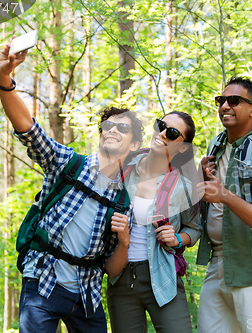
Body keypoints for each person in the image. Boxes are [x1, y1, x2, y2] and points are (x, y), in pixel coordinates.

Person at [0, 44, 141, 332]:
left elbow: (112, 269)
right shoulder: (66, 163)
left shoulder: (124, 202)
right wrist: (4, 80)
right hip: (43, 282)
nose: (112, 130)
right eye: (108, 125)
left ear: (134, 145)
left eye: (122, 129)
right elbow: (27, 127)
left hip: (87, 296)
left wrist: (124, 240)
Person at [196, 77, 252, 333]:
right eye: (221, 100)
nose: (224, 106)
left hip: (249, 264)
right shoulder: (216, 145)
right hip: (217, 261)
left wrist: (225, 195)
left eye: (234, 101)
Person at [105, 111, 202, 333]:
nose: (163, 133)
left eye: (173, 133)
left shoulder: (184, 187)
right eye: (161, 125)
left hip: (163, 277)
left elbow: (195, 229)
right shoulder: (123, 168)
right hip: (120, 279)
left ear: (183, 147)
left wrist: (177, 238)